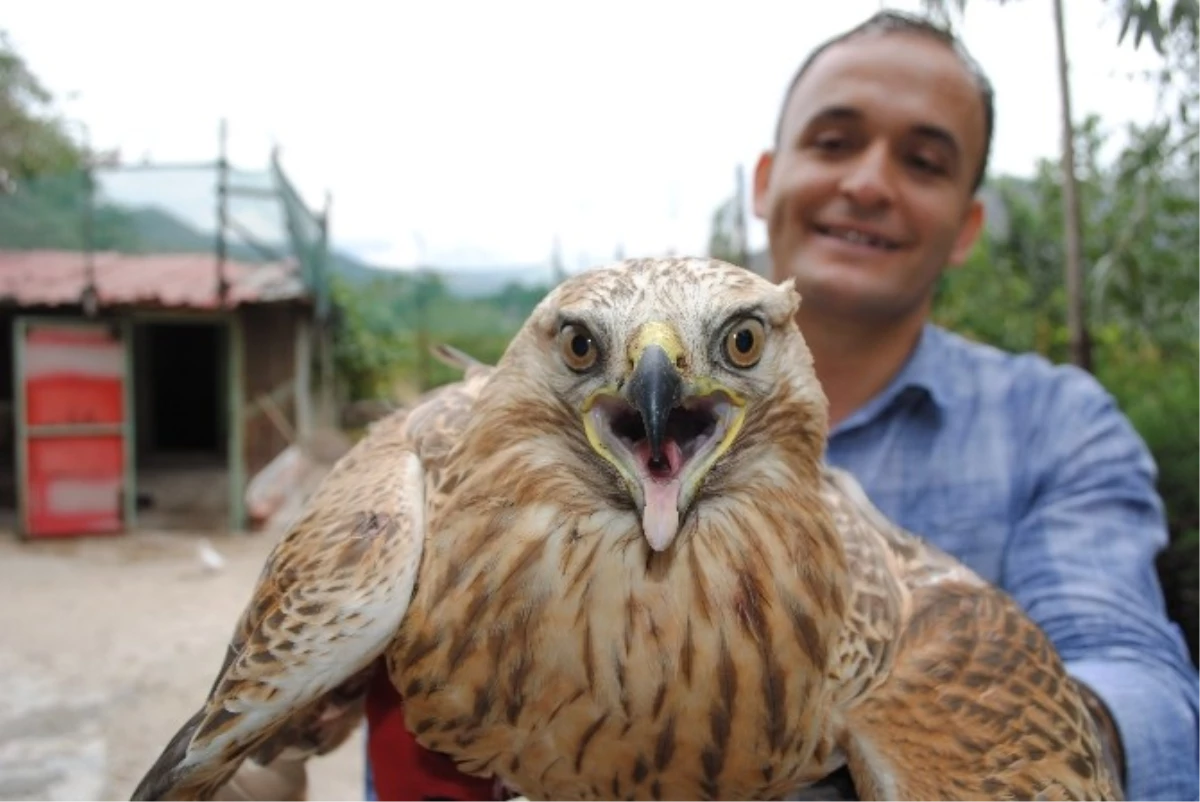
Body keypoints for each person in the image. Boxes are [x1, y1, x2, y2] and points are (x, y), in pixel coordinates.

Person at [359, 9, 1200, 801]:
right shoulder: (517, 441)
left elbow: (1134, 673)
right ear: (767, 180)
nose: (869, 184)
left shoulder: (1060, 425)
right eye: (835, 142)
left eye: (923, 161)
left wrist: (966, 744)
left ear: (970, 224)